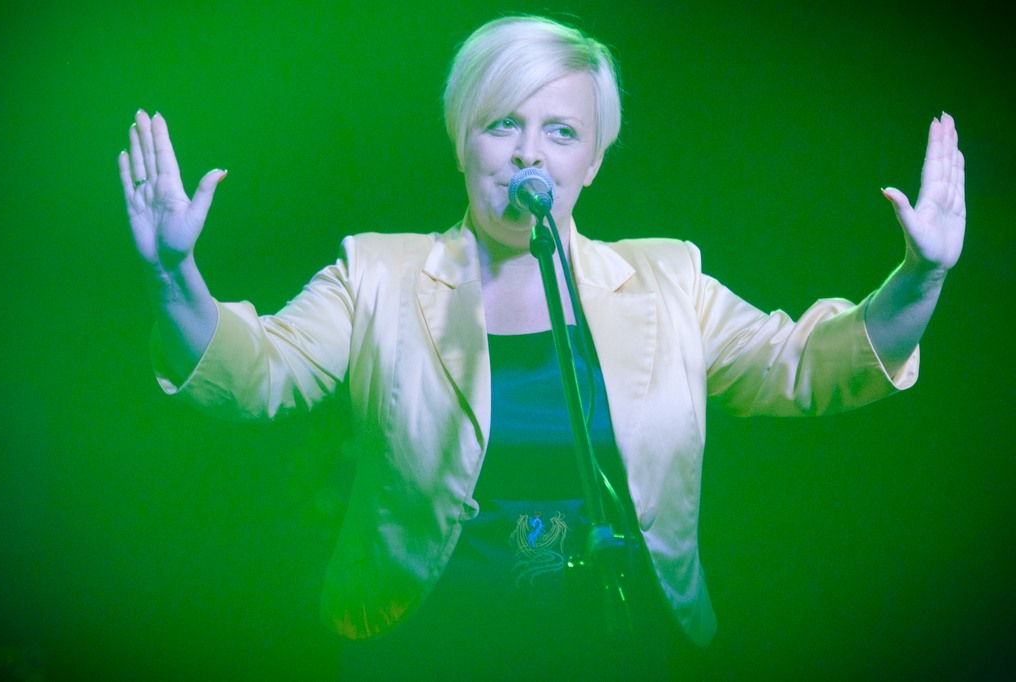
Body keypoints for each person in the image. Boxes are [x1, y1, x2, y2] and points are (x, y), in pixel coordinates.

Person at [118, 15, 965, 680]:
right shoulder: (375, 273)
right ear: (463, 141)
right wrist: (174, 278)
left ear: (593, 159)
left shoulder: (667, 279)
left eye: (561, 131)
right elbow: (259, 374)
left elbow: (804, 367)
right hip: (429, 643)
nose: (530, 151)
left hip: (614, 640)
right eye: (502, 123)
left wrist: (919, 278)